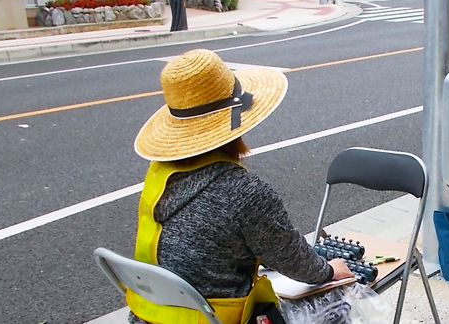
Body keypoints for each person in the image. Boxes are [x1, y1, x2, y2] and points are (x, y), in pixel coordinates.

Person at [128, 49, 353, 324]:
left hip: (152, 317)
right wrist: (329, 271)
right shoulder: (244, 193)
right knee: (341, 304)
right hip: (222, 318)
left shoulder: (160, 178)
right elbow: (293, 260)